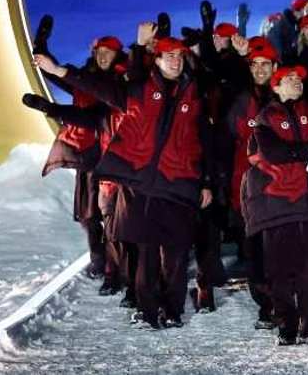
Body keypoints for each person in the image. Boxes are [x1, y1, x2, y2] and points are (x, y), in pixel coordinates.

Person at [35, 28, 213, 329]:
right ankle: (146, 311)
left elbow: (204, 141)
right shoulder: (137, 90)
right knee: (145, 253)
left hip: (177, 186)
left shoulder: (195, 95)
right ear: (155, 61)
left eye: (179, 56)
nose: (174, 61)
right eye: (168, 56)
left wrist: (206, 181)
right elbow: (95, 86)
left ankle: (172, 311)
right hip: (141, 186)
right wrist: (56, 69)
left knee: (175, 254)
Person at [23, 25, 127, 287]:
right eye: (99, 51)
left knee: (112, 218)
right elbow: (58, 74)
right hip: (86, 156)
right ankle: (99, 260)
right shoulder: (86, 77)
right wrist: (42, 46)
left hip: (111, 158)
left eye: (109, 52)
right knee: (88, 215)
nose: (103, 56)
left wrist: (51, 108)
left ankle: (116, 271)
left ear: (118, 55)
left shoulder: (117, 82)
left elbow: (92, 118)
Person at [241, 66, 308, 346]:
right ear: (276, 86)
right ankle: (287, 322)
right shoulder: (266, 118)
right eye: (289, 79)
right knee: (280, 270)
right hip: (276, 203)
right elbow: (276, 154)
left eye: (299, 78)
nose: (296, 82)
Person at [221, 37, 280, 328]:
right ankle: (266, 306)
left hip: (280, 189)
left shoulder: (284, 97)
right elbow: (229, 137)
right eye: (254, 64)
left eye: (264, 64)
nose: (259, 69)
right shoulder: (241, 100)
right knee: (253, 251)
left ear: (274, 66)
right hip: (245, 189)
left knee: (279, 250)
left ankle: (282, 301)